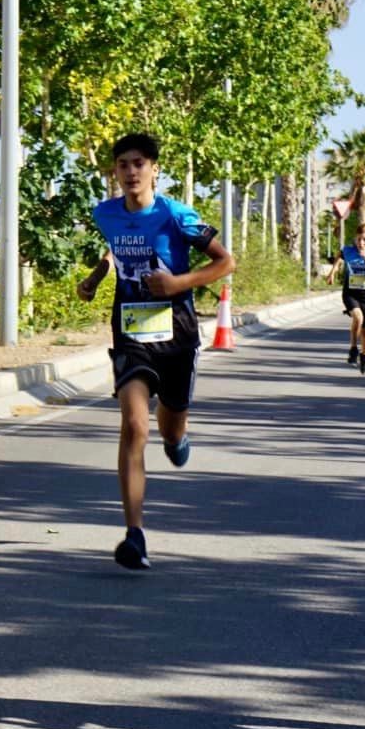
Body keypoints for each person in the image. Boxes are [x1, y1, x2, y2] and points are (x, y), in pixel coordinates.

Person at [76, 132, 232, 571]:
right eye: (123, 164)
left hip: (176, 330)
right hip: (129, 328)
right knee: (133, 427)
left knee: (168, 426)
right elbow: (113, 248)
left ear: (154, 169)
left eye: (139, 163)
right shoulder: (104, 213)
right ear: (114, 170)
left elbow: (225, 262)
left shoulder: (176, 214)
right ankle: (134, 535)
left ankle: (178, 435)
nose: (130, 172)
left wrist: (179, 284)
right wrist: (95, 276)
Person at [327, 228, 365, 374]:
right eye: (359, 239)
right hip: (350, 292)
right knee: (358, 317)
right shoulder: (348, 250)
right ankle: (353, 348)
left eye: (364, 239)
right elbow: (339, 256)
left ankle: (364, 357)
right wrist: (333, 272)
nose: (361, 243)